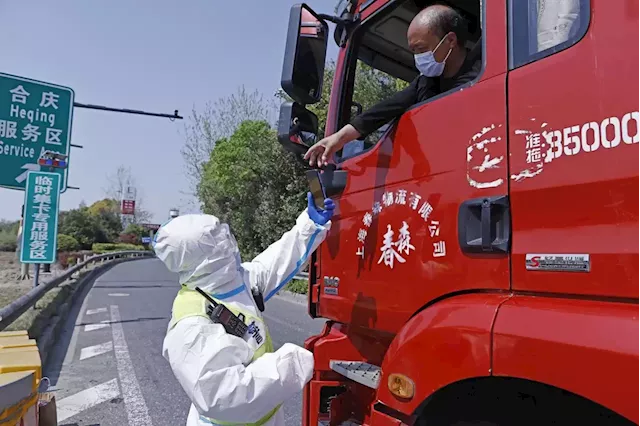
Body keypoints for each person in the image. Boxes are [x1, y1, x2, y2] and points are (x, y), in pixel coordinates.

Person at [154, 193, 335, 426]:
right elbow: (224, 397)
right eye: (217, 238)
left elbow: (274, 264)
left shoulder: (231, 282)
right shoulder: (191, 323)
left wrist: (310, 225)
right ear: (199, 256)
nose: (228, 241)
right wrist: (297, 361)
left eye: (224, 233)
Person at [304, 3, 482, 167]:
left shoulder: (485, 70)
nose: (418, 59)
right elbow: (383, 110)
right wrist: (337, 138)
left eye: (421, 49)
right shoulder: (427, 81)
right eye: (414, 52)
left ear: (450, 40)